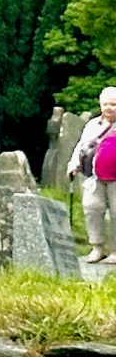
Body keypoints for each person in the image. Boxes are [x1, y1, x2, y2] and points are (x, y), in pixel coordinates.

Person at [68, 87, 116, 263]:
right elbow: (81, 146)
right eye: (105, 104)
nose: (109, 108)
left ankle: (115, 251)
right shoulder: (92, 125)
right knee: (92, 208)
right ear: (100, 104)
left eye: (113, 104)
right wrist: (73, 164)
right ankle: (97, 247)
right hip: (94, 176)